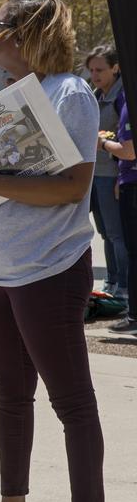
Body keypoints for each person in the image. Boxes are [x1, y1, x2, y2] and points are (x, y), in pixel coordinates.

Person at [0, 0, 108, 502]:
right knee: (11, 398)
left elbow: (72, 187)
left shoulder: (69, 93)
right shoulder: (3, 99)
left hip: (50, 267)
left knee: (73, 403)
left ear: (26, 32)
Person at [86, 45, 127, 298]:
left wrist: (120, 177)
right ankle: (112, 281)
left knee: (116, 233)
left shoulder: (122, 97)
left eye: (100, 69)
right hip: (94, 174)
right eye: (91, 70)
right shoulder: (95, 95)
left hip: (112, 176)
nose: (95, 75)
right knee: (104, 233)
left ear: (115, 68)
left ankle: (124, 286)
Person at [110, 91, 137, 333]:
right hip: (129, 180)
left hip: (133, 182)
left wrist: (103, 143)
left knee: (134, 252)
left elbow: (129, 151)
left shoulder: (130, 101)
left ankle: (135, 316)